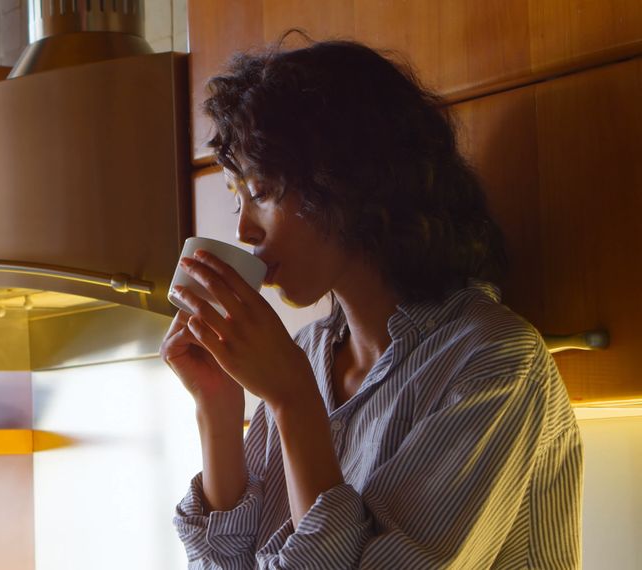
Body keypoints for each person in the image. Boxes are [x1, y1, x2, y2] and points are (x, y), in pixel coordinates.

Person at [161, 38, 582, 569]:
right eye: (236, 197)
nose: (244, 229)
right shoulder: (304, 355)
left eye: (263, 191)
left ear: (349, 181)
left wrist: (294, 401)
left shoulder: (495, 363)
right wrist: (218, 409)